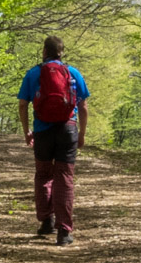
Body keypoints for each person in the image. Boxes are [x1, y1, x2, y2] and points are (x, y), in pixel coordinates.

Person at [17, 36, 90, 246]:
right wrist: (82, 134)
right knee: (64, 177)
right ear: (61, 52)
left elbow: (23, 105)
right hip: (68, 129)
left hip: (42, 131)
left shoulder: (34, 73)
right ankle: (64, 232)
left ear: (44, 51)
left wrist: (26, 131)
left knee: (43, 175)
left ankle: (46, 221)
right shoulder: (73, 73)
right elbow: (83, 107)